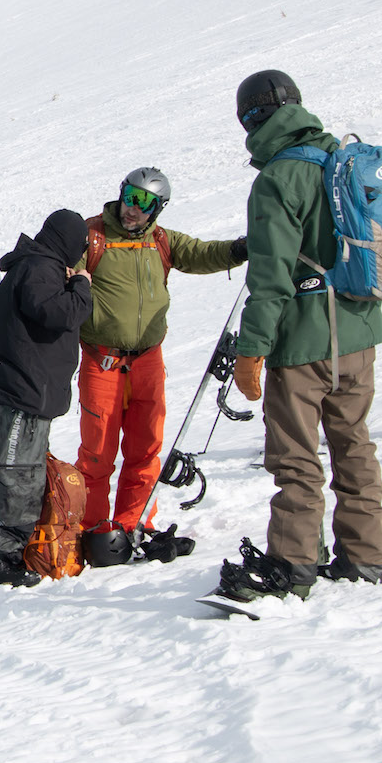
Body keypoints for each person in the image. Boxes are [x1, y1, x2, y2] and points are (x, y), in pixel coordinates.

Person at [221, 70, 382, 603]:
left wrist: (251, 351)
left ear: (251, 119)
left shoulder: (278, 178)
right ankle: (364, 557)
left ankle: (294, 563)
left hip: (302, 347)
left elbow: (270, 280)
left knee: (295, 457)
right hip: (360, 334)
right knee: (354, 445)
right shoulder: (342, 157)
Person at [73, 168, 246, 565]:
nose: (135, 208)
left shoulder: (162, 241)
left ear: (158, 209)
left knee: (146, 447)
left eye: (146, 202)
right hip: (103, 361)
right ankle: (96, 529)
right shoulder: (93, 235)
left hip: (149, 360)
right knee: (97, 453)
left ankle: (134, 524)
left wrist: (242, 248)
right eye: (131, 197)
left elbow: (203, 254)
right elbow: (60, 268)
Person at [0, 211, 93, 588]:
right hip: (23, 395)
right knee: (19, 481)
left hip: (27, 393)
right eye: (82, 245)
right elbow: (58, 312)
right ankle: (0, 562)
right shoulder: (40, 268)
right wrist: (82, 287)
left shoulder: (35, 266)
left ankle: (11, 554)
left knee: (24, 478)